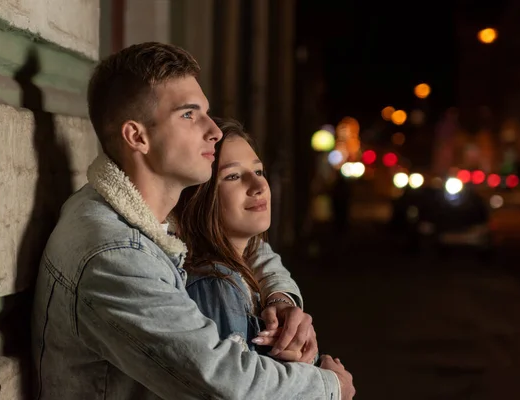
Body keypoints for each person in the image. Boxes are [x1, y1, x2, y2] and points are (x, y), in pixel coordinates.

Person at [31, 42, 355, 399]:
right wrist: (330, 386)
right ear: (137, 136)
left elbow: (244, 247)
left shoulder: (141, 214)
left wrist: (279, 297)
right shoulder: (114, 255)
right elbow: (223, 382)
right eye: (189, 115)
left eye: (206, 112)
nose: (213, 130)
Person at [176, 118, 320, 363]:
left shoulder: (240, 265)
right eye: (232, 176)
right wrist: (322, 377)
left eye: (258, 171)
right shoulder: (215, 283)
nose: (258, 185)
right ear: (198, 196)